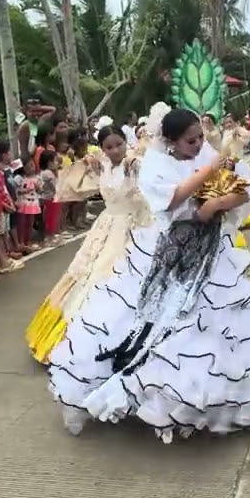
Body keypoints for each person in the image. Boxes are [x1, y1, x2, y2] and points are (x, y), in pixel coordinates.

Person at [48, 105, 250, 442]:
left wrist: (217, 203)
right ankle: (147, 393)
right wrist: (208, 176)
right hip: (171, 250)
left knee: (208, 328)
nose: (198, 144)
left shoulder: (205, 153)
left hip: (212, 250)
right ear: (172, 142)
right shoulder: (155, 165)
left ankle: (209, 400)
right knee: (158, 322)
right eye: (191, 141)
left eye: (200, 138)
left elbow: (239, 188)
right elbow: (173, 200)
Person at [25, 126, 153, 363]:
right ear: (102, 148)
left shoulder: (136, 163)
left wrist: (136, 162)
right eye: (109, 147)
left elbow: (153, 189)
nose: (115, 150)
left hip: (132, 228)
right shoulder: (100, 164)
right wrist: (87, 163)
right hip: (106, 227)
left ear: (127, 143)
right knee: (86, 274)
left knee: (119, 278)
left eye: (119, 144)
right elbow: (69, 186)